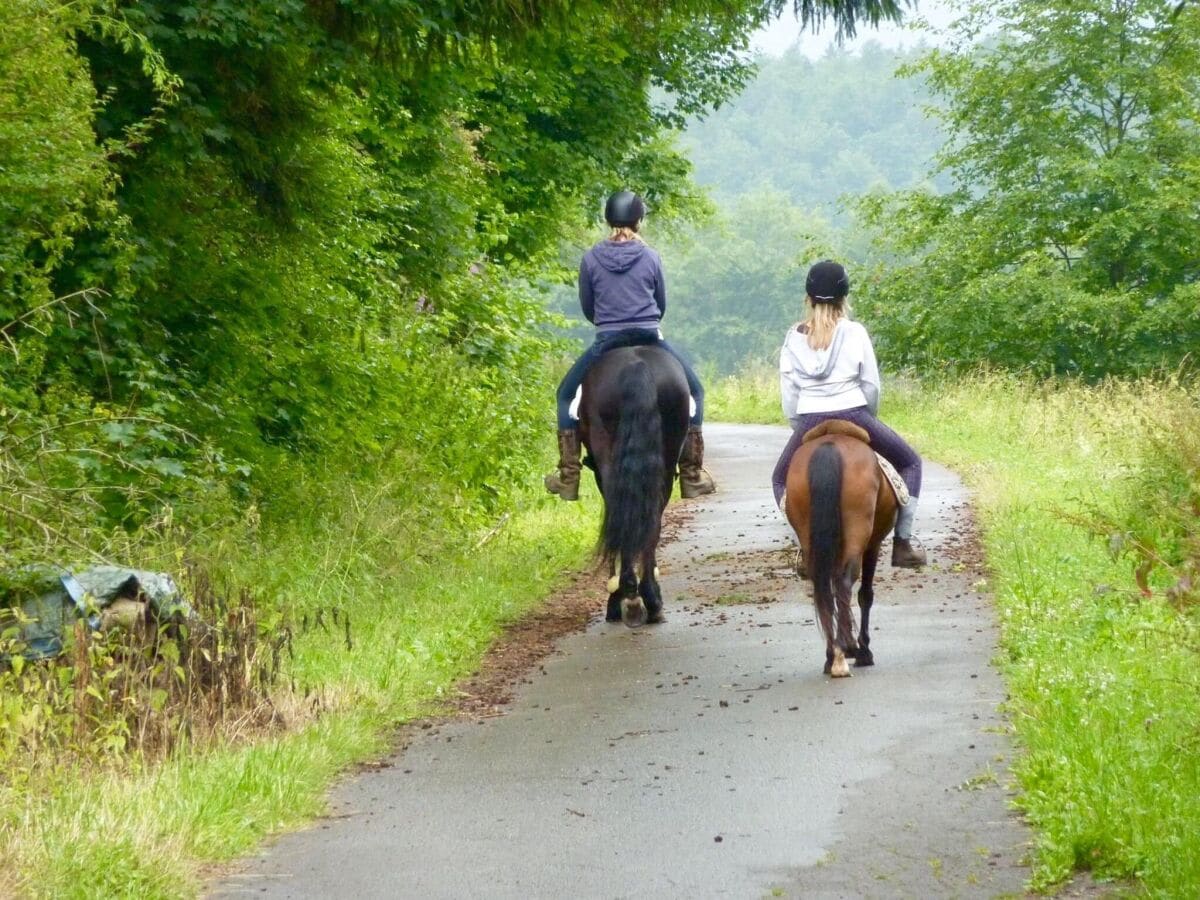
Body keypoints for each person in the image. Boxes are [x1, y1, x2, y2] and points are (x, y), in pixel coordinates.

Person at [544, 190, 716, 501]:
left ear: (608, 219)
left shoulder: (591, 258)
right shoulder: (650, 256)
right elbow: (660, 303)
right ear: (639, 221)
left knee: (565, 396)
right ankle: (691, 473)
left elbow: (588, 306)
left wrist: (608, 322)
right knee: (696, 393)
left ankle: (568, 475)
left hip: (607, 340)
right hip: (650, 335)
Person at [772, 260, 927, 568]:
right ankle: (902, 543)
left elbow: (789, 393)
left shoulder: (793, 338)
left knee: (779, 479)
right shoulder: (855, 332)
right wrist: (868, 417)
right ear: (844, 297)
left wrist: (799, 426)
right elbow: (871, 384)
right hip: (855, 413)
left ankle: (805, 548)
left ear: (809, 297)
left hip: (810, 420)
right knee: (911, 462)